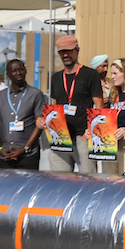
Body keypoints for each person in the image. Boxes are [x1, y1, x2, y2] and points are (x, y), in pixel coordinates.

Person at [47, 34, 104, 173]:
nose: (65, 55)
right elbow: (55, 106)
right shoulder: (55, 77)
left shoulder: (90, 75)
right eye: (62, 52)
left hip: (83, 136)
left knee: (88, 180)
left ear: (77, 50)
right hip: (61, 137)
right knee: (60, 181)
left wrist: (89, 132)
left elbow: (99, 106)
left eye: (69, 51)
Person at [0, 59, 45, 170]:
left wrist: (25, 148)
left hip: (27, 156)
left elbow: (39, 125)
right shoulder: (0, 96)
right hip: (3, 155)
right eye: (14, 71)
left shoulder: (35, 94)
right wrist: (0, 149)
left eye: (21, 69)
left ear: (25, 71)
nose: (18, 73)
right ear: (8, 75)